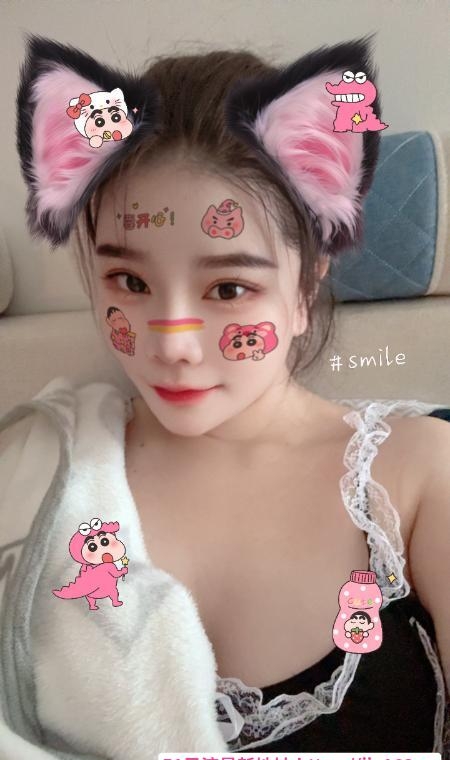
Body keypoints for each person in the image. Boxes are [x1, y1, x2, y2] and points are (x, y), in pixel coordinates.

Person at [0, 31, 449, 760]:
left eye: (229, 288)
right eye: (129, 282)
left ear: (306, 284)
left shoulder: (420, 475)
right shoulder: (38, 470)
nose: (172, 342)